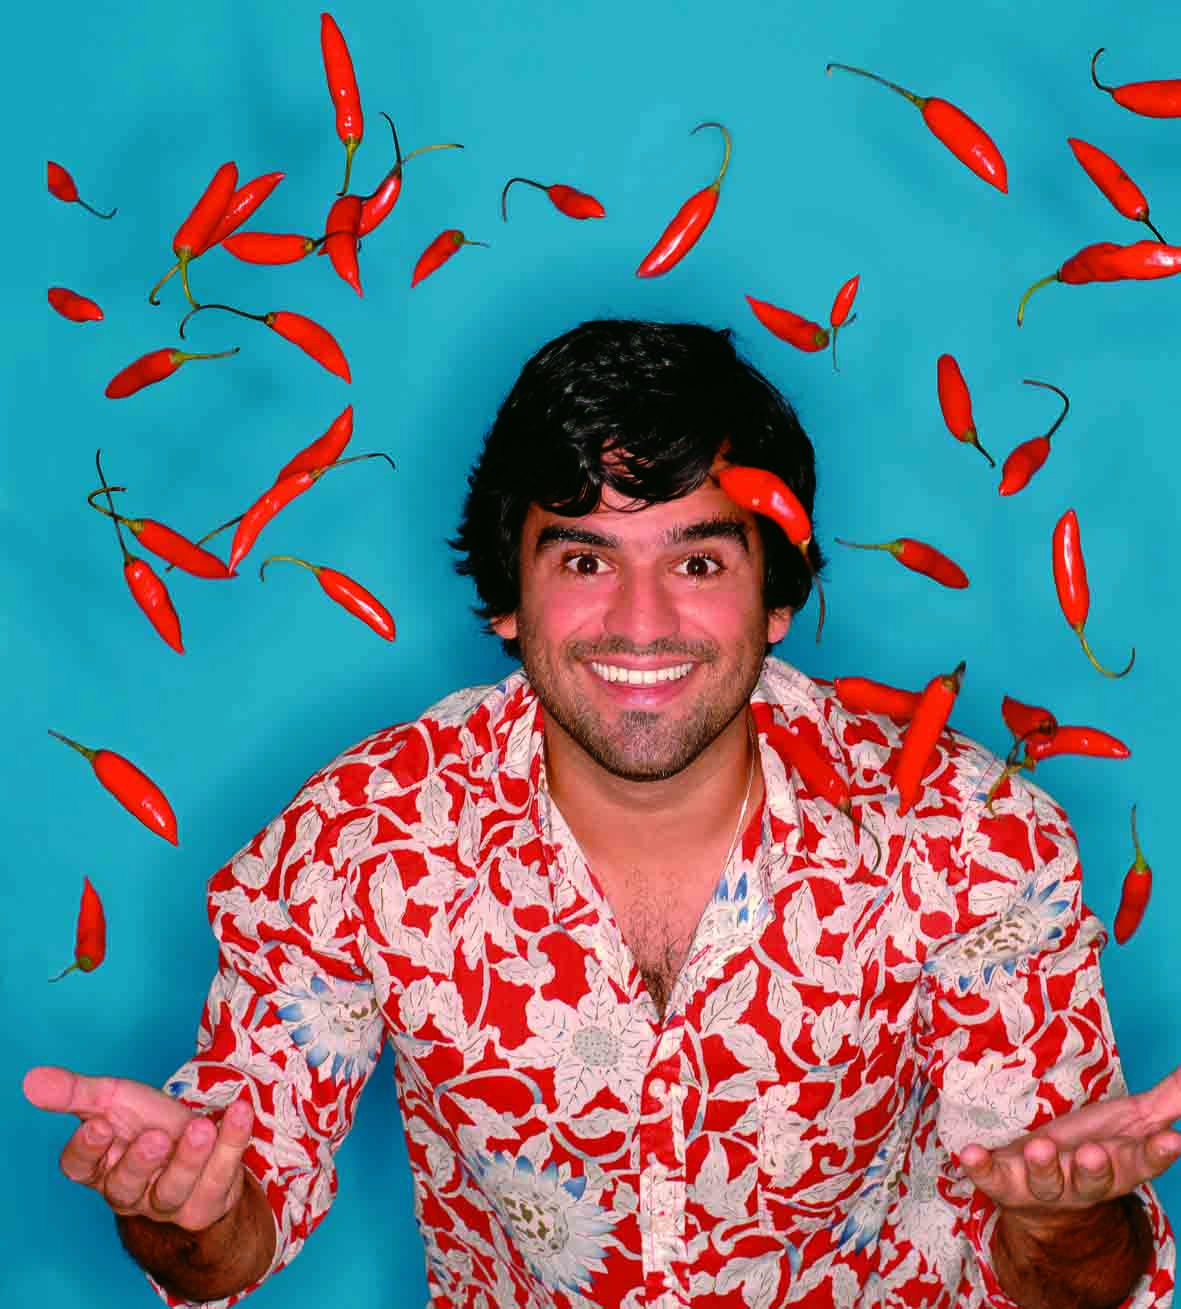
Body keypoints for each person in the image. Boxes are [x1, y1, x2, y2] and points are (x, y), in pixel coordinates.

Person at [24, 319, 1180, 1309]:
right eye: (583, 561)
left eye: (696, 564)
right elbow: (229, 1237)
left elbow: (1073, 1277)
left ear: (775, 600)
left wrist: (1066, 1218)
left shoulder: (967, 839)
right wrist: (184, 1206)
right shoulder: (362, 840)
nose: (639, 621)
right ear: (507, 602)